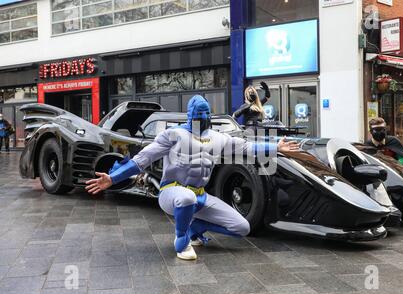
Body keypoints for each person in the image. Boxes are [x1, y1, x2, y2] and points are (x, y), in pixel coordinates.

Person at [86, 95, 300, 261]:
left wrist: (276, 147)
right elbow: (141, 160)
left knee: (242, 227)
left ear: (210, 114)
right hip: (171, 193)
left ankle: (195, 228)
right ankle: (182, 242)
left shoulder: (218, 138)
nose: (202, 118)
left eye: (205, 114)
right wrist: (112, 179)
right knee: (186, 198)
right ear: (189, 115)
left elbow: (248, 147)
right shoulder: (173, 135)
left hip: (200, 196)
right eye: (197, 114)